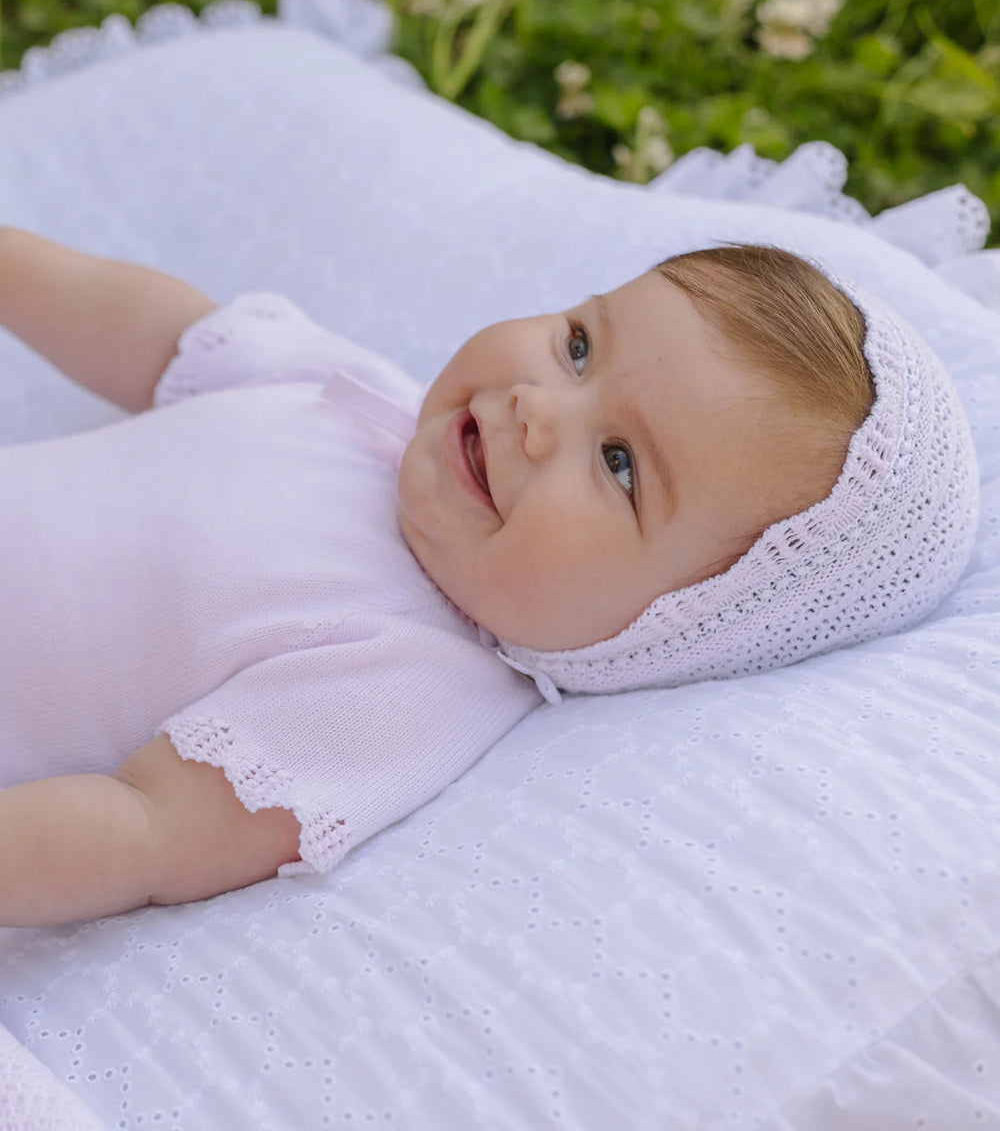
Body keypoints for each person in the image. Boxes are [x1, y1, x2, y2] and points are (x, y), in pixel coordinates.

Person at [0, 229, 978, 928]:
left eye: (619, 465)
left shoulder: (405, 683)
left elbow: (146, 828)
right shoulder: (362, 400)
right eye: (580, 345)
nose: (534, 407)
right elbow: (160, 334)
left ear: (667, 629)